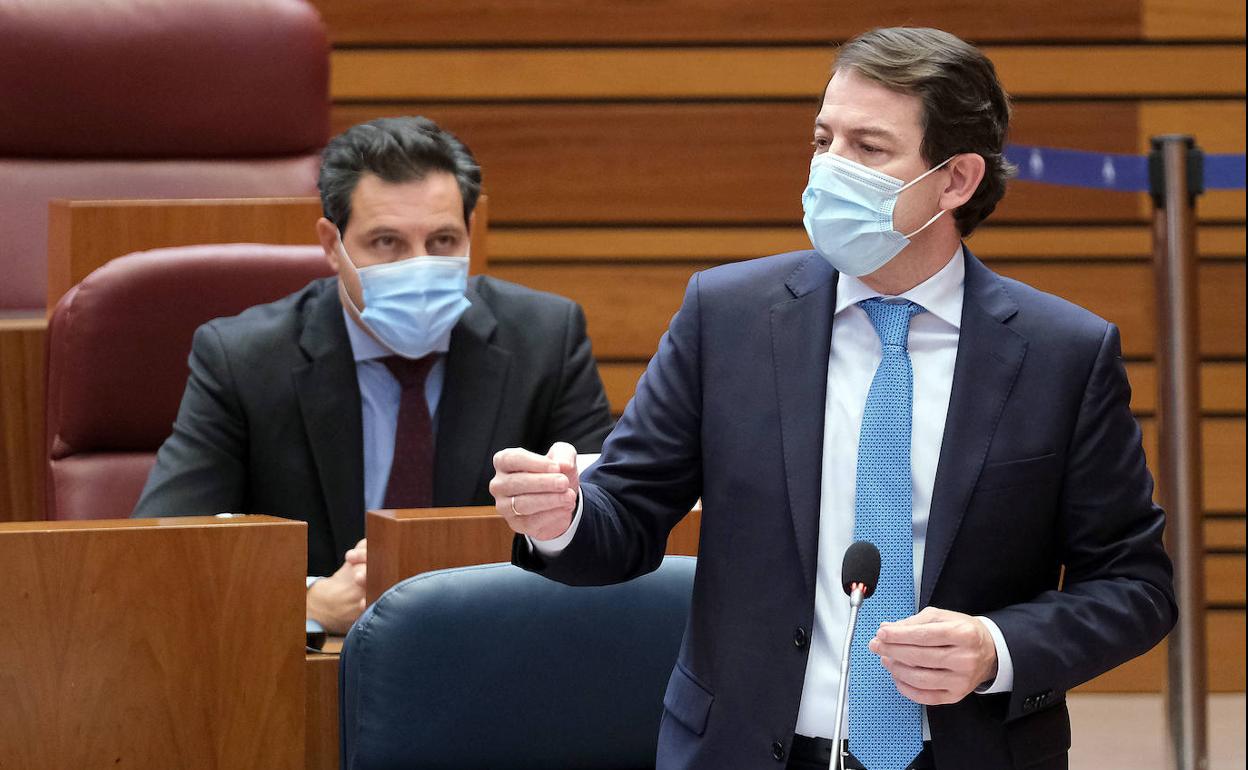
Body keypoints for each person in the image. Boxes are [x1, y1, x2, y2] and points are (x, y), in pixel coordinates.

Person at [490, 28, 1175, 770]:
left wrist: (995, 649)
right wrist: (561, 519)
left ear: (956, 180)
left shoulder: (1063, 354)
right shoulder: (728, 316)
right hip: (748, 749)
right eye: (824, 139)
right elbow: (625, 514)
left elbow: (1134, 585)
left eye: (868, 149)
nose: (829, 170)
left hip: (966, 751)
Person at [134, 117, 614, 633]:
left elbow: (611, 520)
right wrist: (307, 604)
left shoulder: (545, 339)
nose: (420, 265)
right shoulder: (243, 358)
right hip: (317, 670)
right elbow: (163, 549)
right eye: (386, 242)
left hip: (498, 641)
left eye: (444, 240)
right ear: (330, 243)